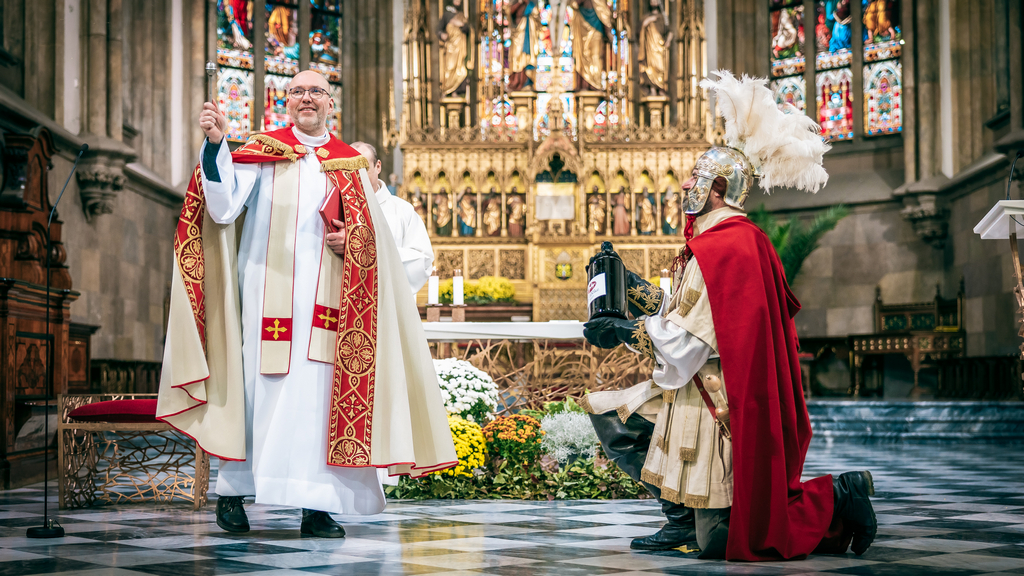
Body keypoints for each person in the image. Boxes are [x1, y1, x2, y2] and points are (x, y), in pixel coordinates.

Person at [581, 71, 877, 561]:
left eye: (695, 179)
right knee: (613, 418)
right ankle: (679, 521)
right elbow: (691, 315)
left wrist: (625, 331)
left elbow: (688, 343)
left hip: (717, 399)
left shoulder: (725, 248)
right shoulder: (732, 241)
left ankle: (839, 495)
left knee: (722, 541)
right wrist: (628, 286)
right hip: (701, 385)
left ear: (717, 188)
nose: (685, 186)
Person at [157, 70, 456, 539]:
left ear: (331, 103)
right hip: (264, 297)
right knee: (254, 391)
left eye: (316, 91)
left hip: (330, 305)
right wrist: (216, 145)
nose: (307, 98)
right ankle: (234, 491)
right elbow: (222, 208)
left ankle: (316, 506)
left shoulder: (349, 164)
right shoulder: (262, 151)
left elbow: (377, 239)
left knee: (318, 400)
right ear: (287, 102)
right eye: (297, 91)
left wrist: (353, 239)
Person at [350, 142, 433, 293]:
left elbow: (423, 262)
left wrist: (372, 250)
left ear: (378, 166)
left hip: (388, 298)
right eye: (351, 169)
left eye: (363, 168)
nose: (357, 175)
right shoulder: (335, 207)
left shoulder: (403, 210)